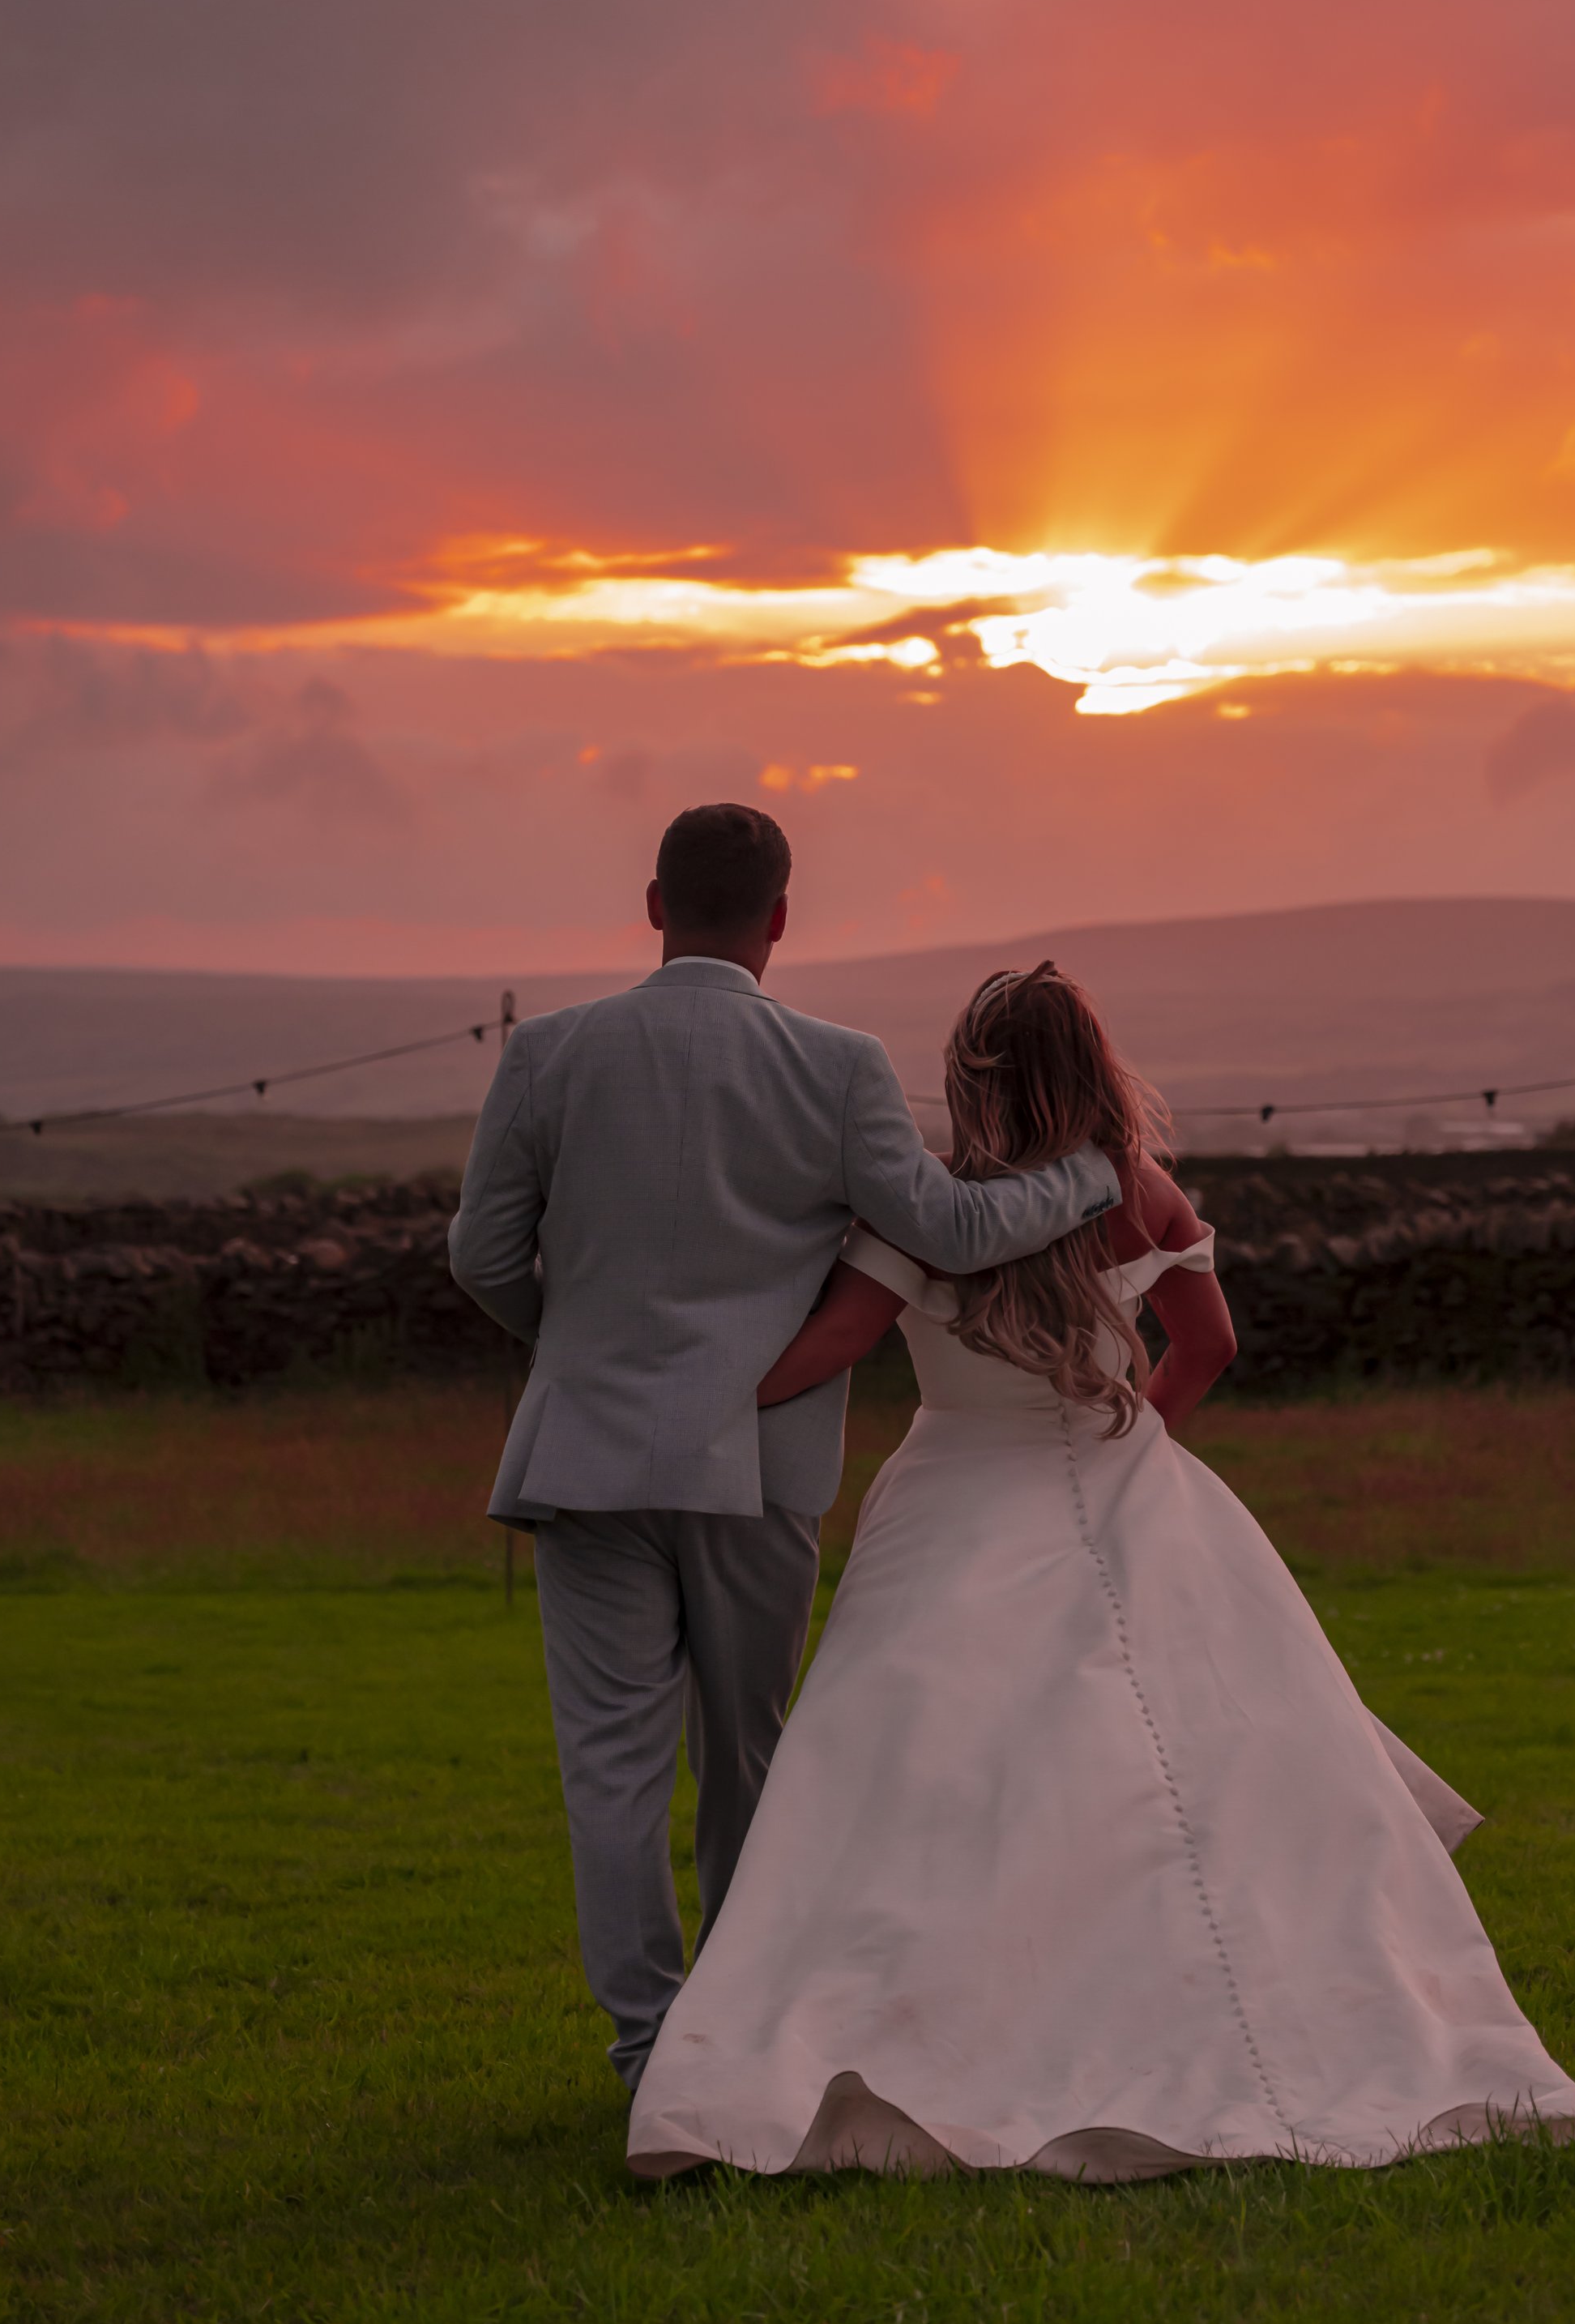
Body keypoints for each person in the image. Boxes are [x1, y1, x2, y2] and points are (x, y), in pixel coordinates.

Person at [627, 962, 1575, 2181]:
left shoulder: (924, 1207)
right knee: (1203, 1758)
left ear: (972, 1077)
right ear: (1091, 1063)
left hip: (953, 1494)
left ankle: (943, 2011)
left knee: (927, 1767)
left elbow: (825, 1348)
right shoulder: (1141, 1191)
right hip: (1120, 1469)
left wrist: (672, 1398)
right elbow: (1211, 1345)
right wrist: (1132, 1440)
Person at [446, 810, 1120, 2092]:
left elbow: (481, 1255)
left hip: (583, 1457)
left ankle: (648, 2042)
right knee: (747, 1756)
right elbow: (954, 1228)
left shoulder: (548, 1053)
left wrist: (577, 1352)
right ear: (780, 918)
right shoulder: (837, 1065)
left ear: (653, 902)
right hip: (756, 1463)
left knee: (610, 1769)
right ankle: (739, 2030)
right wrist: (1087, 1176)